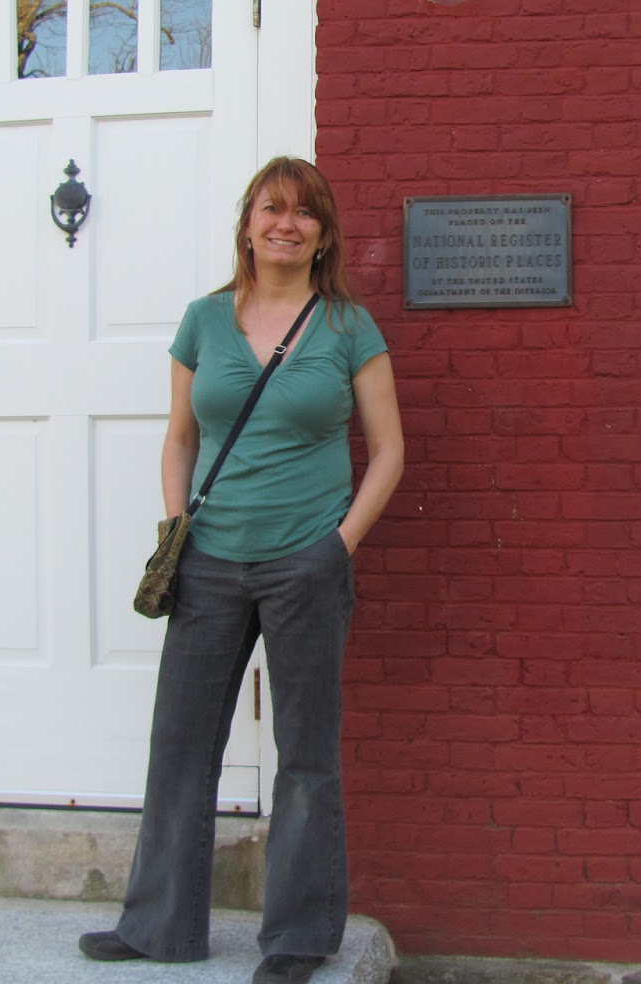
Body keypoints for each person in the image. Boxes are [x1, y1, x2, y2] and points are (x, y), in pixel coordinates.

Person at [79, 157, 404, 984]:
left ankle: (297, 937)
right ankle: (159, 924)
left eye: (304, 214)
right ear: (248, 224)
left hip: (306, 564)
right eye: (272, 209)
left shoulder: (347, 328)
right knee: (181, 747)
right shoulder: (203, 320)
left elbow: (390, 450)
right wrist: (178, 524)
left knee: (304, 754)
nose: (285, 224)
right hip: (212, 562)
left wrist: (337, 546)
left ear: (323, 235)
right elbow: (181, 435)